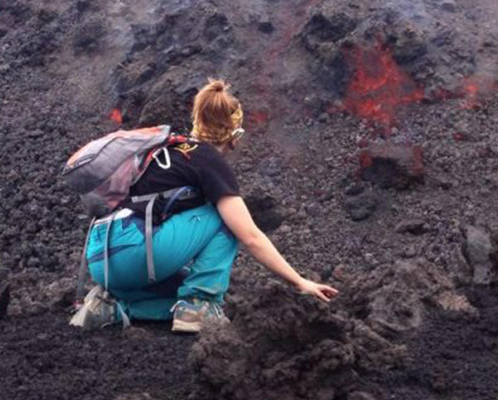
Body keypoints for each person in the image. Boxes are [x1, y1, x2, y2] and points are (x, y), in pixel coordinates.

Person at [83, 78, 338, 332]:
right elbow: (250, 236)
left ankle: (114, 307)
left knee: (181, 287)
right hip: (135, 252)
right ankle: (200, 306)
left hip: (101, 259)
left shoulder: (167, 148)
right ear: (235, 135)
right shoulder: (206, 159)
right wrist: (299, 281)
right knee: (224, 220)